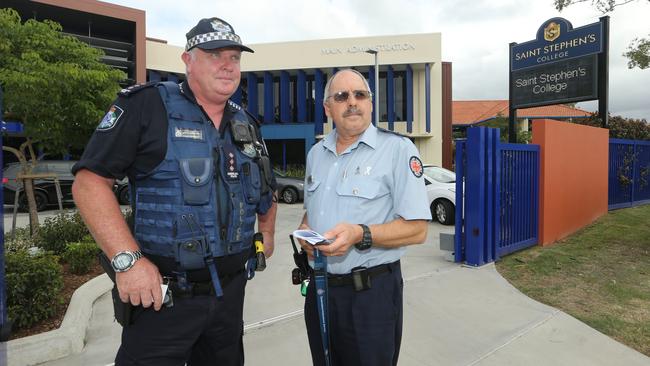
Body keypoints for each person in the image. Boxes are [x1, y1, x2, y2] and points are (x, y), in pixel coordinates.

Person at [71, 17, 277, 366]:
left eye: (234, 57)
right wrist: (129, 262)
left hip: (229, 296)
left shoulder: (246, 123)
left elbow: (265, 189)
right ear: (188, 60)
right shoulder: (147, 106)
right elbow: (89, 183)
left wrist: (266, 234)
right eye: (215, 55)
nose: (227, 66)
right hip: (161, 298)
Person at [298, 69, 431, 366]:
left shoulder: (398, 150)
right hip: (321, 290)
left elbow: (417, 230)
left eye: (360, 95)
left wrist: (360, 233)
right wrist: (306, 232)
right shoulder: (316, 153)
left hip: (370, 296)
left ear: (371, 103)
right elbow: (312, 211)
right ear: (328, 108)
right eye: (342, 96)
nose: (352, 102)